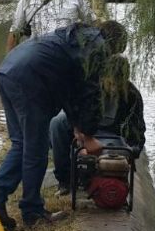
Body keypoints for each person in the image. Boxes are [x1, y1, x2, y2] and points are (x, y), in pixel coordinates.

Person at [0, 21, 126, 229]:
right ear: (114, 45)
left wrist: (77, 127)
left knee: (21, 143)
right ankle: (33, 212)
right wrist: (88, 137)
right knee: (36, 147)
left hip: (9, 69)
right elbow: (88, 91)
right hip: (31, 79)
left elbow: (70, 88)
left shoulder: (79, 37)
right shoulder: (97, 46)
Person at [49, 53, 146, 195]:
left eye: (118, 84)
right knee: (57, 123)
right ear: (103, 77)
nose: (114, 88)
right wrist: (81, 140)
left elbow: (137, 130)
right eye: (111, 83)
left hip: (112, 137)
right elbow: (74, 112)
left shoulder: (133, 96)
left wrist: (132, 151)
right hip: (87, 130)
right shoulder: (90, 88)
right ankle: (65, 181)